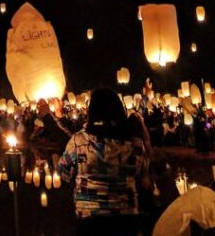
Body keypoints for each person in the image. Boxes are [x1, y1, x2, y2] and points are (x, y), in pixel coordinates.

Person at [58, 88, 148, 234]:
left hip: (90, 218)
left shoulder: (79, 141)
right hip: (126, 218)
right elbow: (142, 171)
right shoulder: (134, 143)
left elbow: (64, 172)